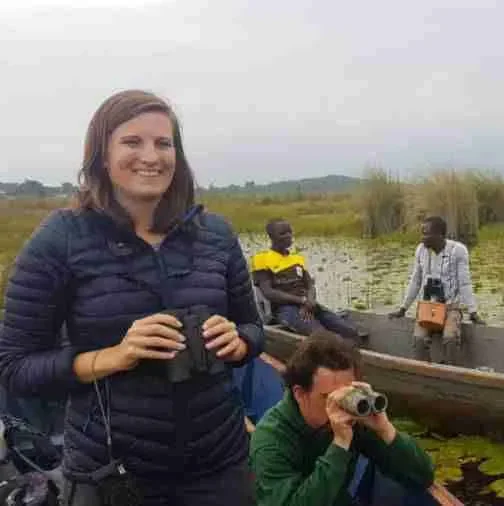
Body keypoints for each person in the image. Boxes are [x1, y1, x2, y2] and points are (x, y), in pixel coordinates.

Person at [0, 89, 264, 505]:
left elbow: (253, 328)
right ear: (102, 157)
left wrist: (240, 341)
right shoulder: (61, 239)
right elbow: (15, 367)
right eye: (132, 142)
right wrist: (114, 356)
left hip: (219, 467)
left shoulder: (215, 234)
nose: (151, 156)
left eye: (164, 143)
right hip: (112, 474)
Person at [249, 330, 436, 506]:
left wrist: (385, 429)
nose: (339, 408)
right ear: (300, 394)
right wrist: (339, 445)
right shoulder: (271, 439)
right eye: (328, 398)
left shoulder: (352, 422)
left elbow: (422, 477)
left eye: (346, 397)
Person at [387, 216, 484, 365]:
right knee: (419, 340)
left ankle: (451, 372)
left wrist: (473, 312)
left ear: (439, 235)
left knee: (450, 339)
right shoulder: (421, 250)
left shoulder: (458, 251)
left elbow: (465, 284)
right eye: (422, 233)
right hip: (427, 308)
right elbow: (415, 281)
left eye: (426, 234)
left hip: (450, 308)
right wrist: (403, 308)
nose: (422, 238)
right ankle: (425, 371)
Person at [251, 218, 364, 344]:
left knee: (350, 332)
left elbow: (310, 284)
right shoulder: (261, 259)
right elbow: (268, 292)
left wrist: (310, 301)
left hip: (308, 305)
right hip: (285, 309)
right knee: (323, 338)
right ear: (271, 237)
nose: (288, 236)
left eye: (289, 232)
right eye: (282, 233)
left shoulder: (297, 259)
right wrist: (301, 301)